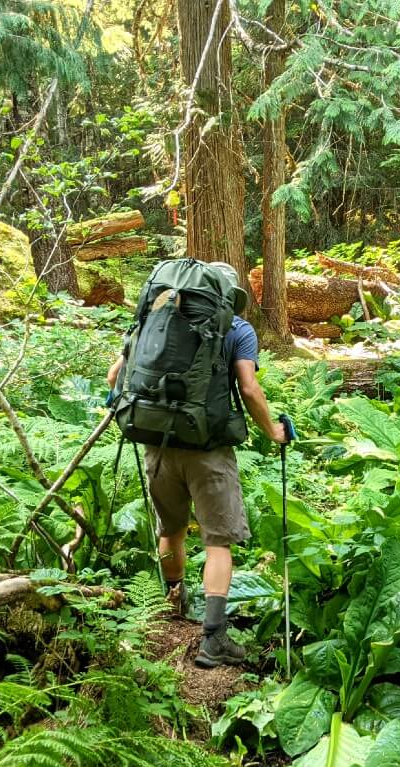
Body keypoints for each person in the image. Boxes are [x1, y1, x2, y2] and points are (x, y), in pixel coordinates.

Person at [106, 261, 286, 668]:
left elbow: (114, 376)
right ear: (227, 297)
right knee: (217, 541)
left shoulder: (153, 319)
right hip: (208, 449)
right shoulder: (237, 329)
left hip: (158, 443)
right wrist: (272, 430)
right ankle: (213, 638)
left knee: (170, 530)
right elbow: (248, 386)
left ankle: (173, 605)